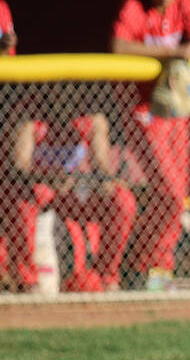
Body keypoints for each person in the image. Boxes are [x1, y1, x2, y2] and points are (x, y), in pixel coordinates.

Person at [111, 0, 190, 291]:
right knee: (168, 190)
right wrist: (172, 53)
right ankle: (140, 261)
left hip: (174, 108)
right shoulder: (135, 4)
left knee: (176, 190)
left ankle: (157, 267)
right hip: (142, 108)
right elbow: (119, 46)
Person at [1, 99, 136, 293]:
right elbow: (20, 166)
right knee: (22, 198)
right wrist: (52, 178)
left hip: (74, 190)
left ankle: (105, 276)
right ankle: (26, 280)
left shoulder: (93, 120)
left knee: (123, 200)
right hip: (40, 190)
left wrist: (106, 182)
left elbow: (101, 167)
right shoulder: (31, 120)